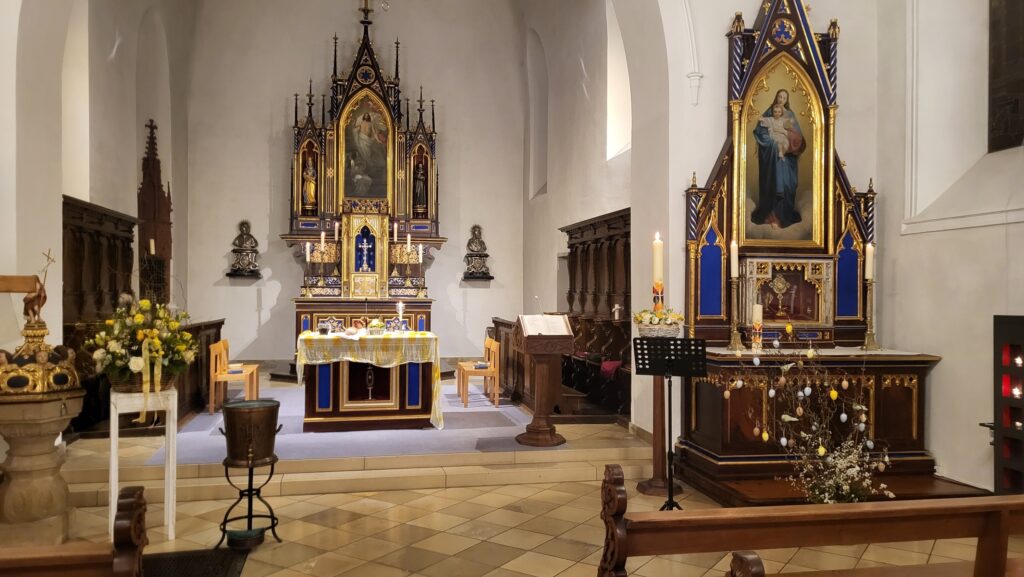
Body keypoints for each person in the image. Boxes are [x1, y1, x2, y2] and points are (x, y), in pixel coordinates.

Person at [751, 89, 805, 229]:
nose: (781, 100)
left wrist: (785, 132)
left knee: (787, 184)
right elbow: (760, 132)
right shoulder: (769, 112)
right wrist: (773, 144)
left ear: (787, 100)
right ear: (776, 97)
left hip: (787, 158)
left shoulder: (789, 115)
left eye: (784, 98)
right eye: (779, 96)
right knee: (773, 182)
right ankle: (771, 216)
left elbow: (798, 138)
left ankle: (783, 216)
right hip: (771, 158)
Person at [346, 110, 387, 197]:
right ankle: (367, 164)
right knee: (364, 154)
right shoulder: (361, 123)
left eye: (367, 115)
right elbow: (355, 128)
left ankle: (367, 164)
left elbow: (374, 133)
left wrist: (378, 140)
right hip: (361, 139)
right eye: (365, 115)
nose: (366, 116)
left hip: (367, 141)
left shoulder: (370, 124)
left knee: (367, 155)